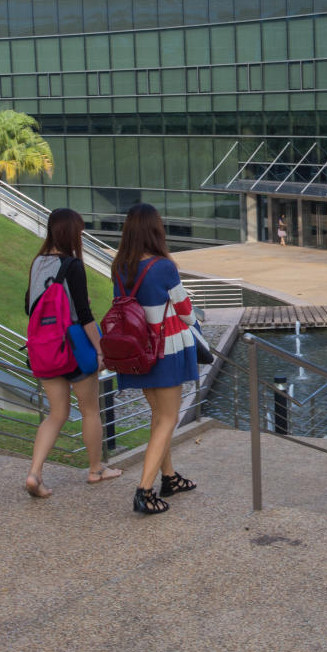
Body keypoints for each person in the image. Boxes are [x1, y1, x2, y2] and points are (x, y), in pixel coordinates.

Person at [24, 208, 121, 498]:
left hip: (45, 348)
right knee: (90, 409)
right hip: (75, 347)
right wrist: (101, 349)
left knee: (57, 413)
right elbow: (86, 316)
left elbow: (30, 307)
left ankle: (34, 473)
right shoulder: (73, 265)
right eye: (79, 231)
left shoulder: (37, 263)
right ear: (71, 233)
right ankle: (95, 470)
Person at [113, 203, 200, 514]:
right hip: (165, 351)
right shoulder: (163, 266)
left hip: (137, 350)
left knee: (158, 416)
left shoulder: (120, 265)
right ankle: (144, 490)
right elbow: (186, 312)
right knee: (168, 417)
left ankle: (169, 477)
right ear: (155, 228)